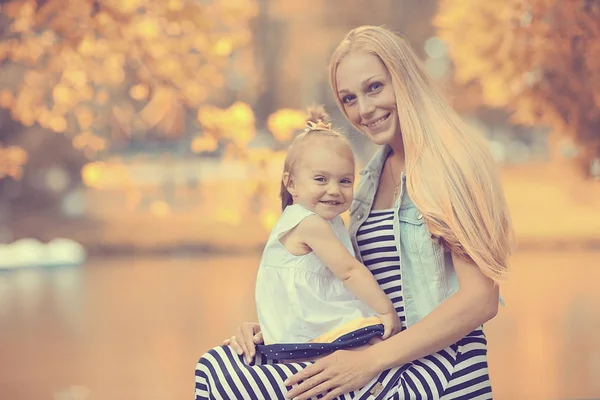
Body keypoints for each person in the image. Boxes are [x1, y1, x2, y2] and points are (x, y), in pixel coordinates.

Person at [195, 25, 514, 400]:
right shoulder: (365, 180)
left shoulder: (451, 162)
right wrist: (283, 328)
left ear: (403, 78)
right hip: (377, 355)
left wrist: (368, 362)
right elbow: (355, 283)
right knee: (221, 365)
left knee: (232, 386)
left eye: (374, 87)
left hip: (437, 370)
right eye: (348, 98)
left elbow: (481, 299)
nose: (363, 109)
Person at [254, 105, 401, 351]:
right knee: (378, 345)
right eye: (321, 179)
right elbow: (349, 272)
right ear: (291, 183)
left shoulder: (320, 221)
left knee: (374, 347)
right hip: (305, 334)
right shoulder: (308, 223)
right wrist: (386, 310)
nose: (334, 190)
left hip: (301, 330)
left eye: (345, 181)